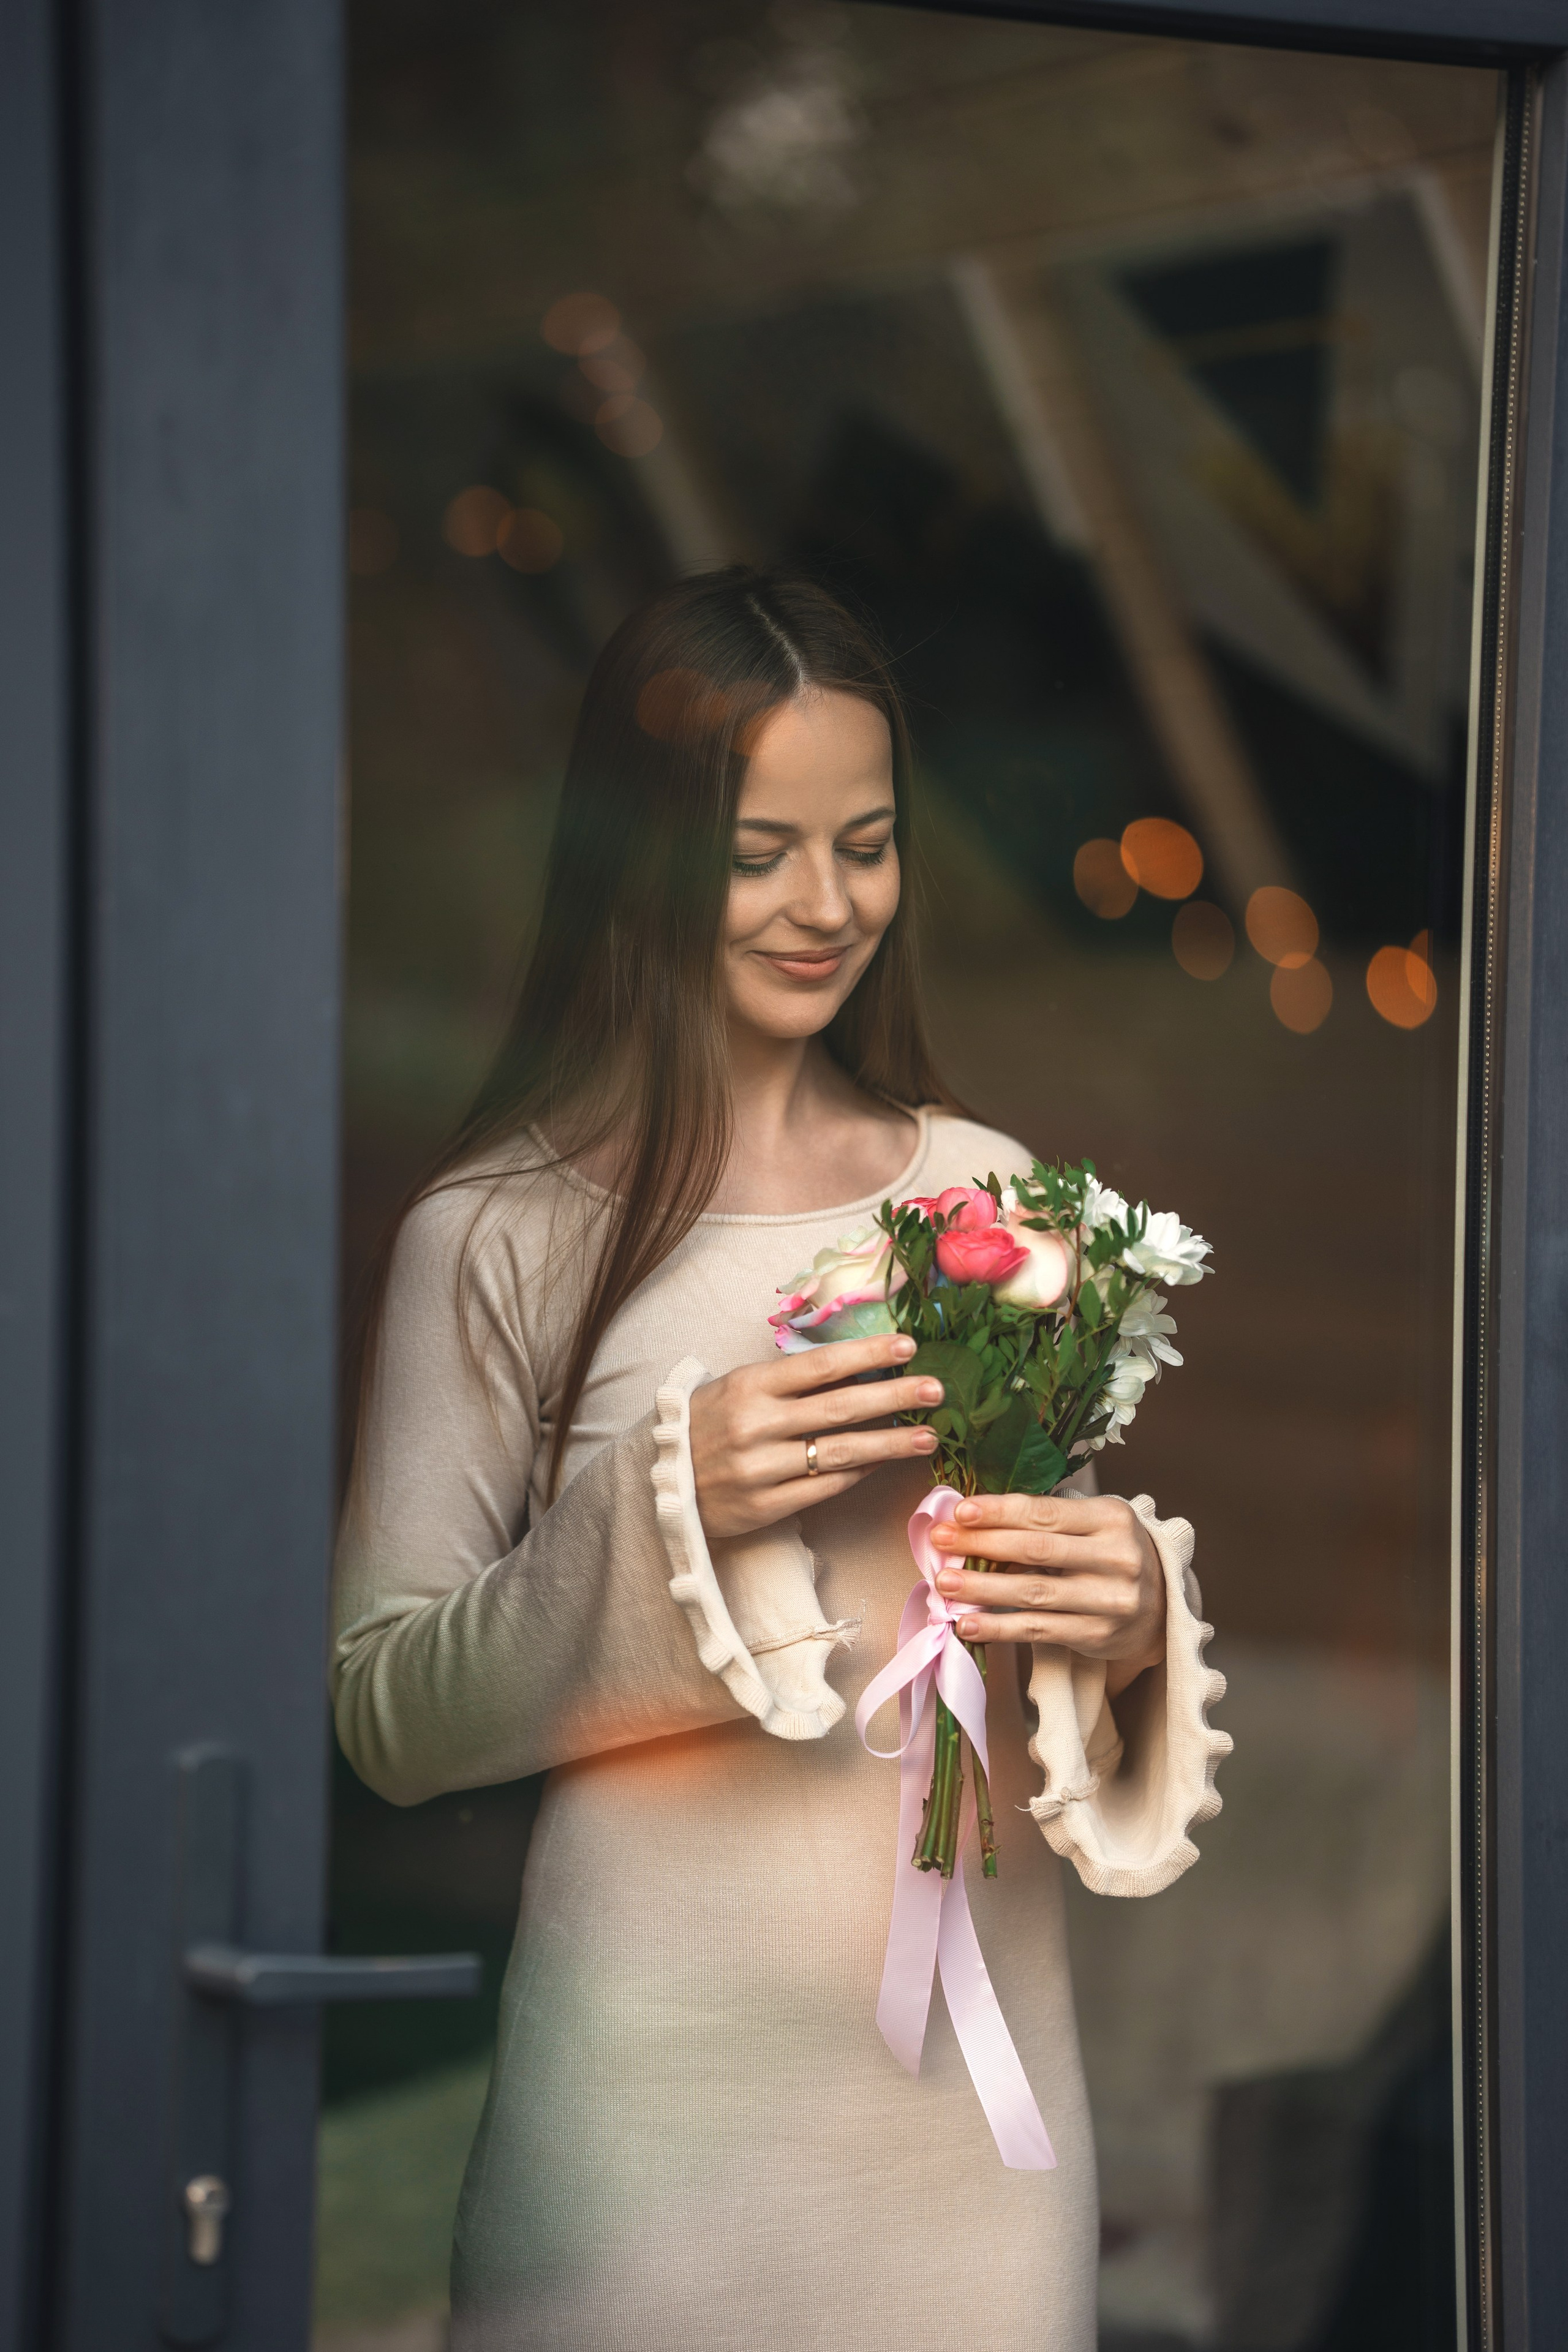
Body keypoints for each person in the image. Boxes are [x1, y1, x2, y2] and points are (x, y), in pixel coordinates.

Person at [332, 567, 1229, 2351]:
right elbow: (384, 1717)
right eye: (760, 854)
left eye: (867, 846)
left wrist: (1125, 1618)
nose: (829, 906)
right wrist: (671, 1506)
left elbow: (1022, 1640)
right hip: (641, 2128)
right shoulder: (495, 1235)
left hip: (967, 2125)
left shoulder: (989, 1193)